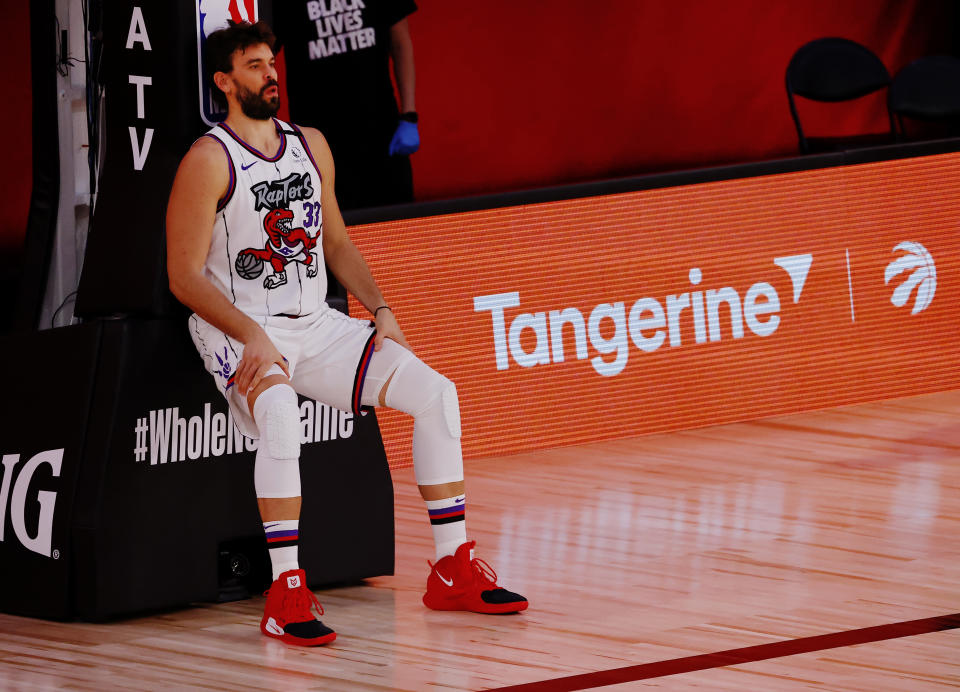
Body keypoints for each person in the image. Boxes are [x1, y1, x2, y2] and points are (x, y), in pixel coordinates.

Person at [165, 20, 526, 647]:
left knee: (438, 395)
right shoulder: (207, 158)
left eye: (271, 62)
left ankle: (452, 567)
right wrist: (249, 332)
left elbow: (334, 239)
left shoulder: (310, 143)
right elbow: (182, 275)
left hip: (315, 321)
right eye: (253, 65)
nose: (270, 73)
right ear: (223, 81)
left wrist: (380, 307)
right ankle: (286, 591)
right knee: (279, 414)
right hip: (239, 326)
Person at [272, 0, 419, 211]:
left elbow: (401, 43)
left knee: (397, 226)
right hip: (317, 141)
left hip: (381, 133)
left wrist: (409, 116)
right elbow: (263, 53)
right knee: (332, 232)